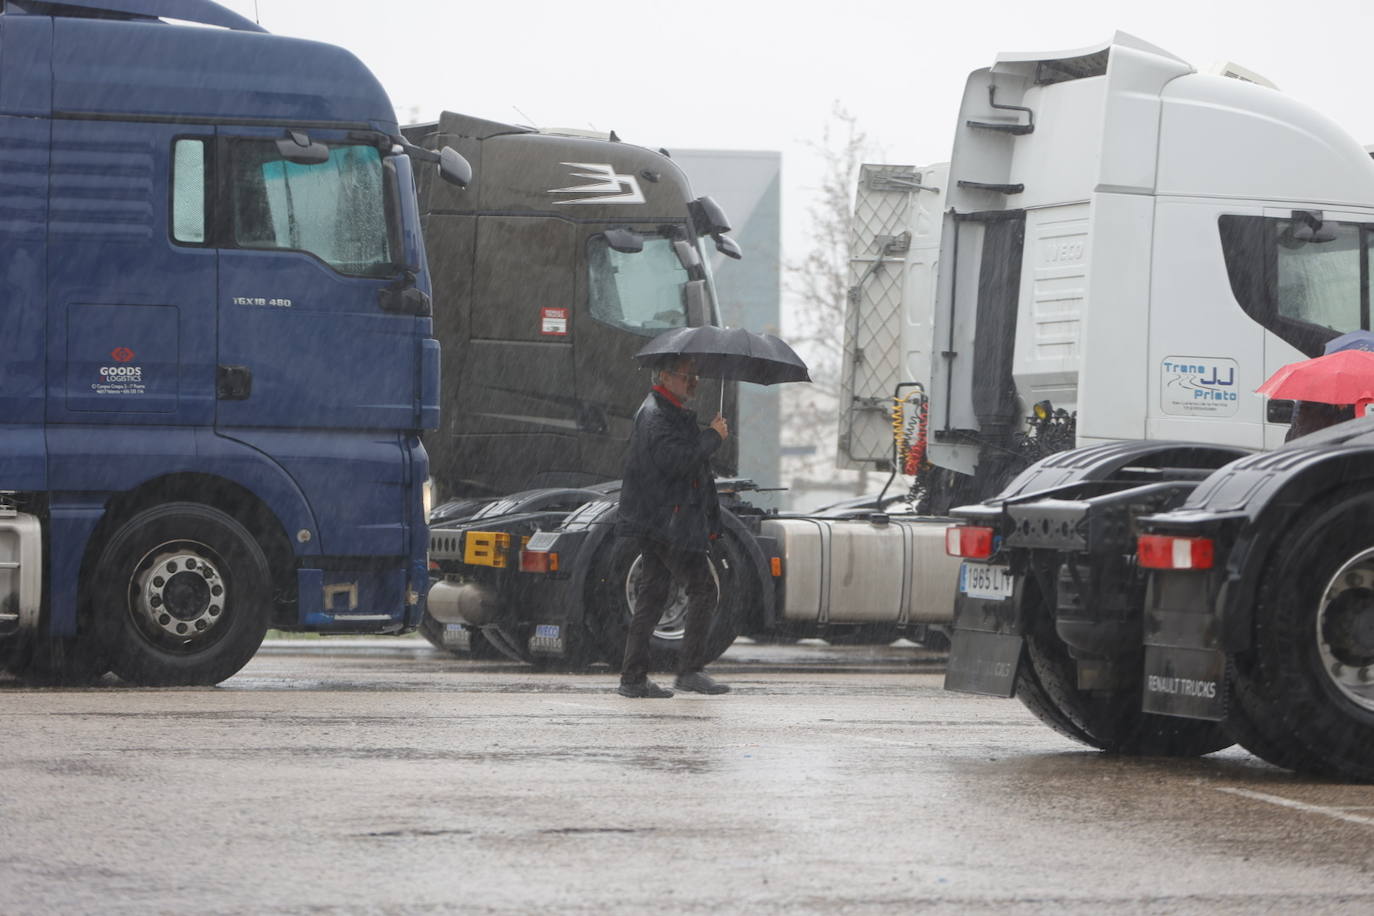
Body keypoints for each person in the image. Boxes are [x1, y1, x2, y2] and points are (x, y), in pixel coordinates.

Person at [614, 356, 731, 699]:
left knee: (652, 594)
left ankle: (633, 679)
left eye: (695, 375)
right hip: (668, 521)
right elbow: (677, 461)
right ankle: (690, 671)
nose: (693, 381)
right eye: (686, 376)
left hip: (661, 518)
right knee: (703, 588)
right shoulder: (658, 415)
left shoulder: (664, 411)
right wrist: (713, 437)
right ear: (665, 376)